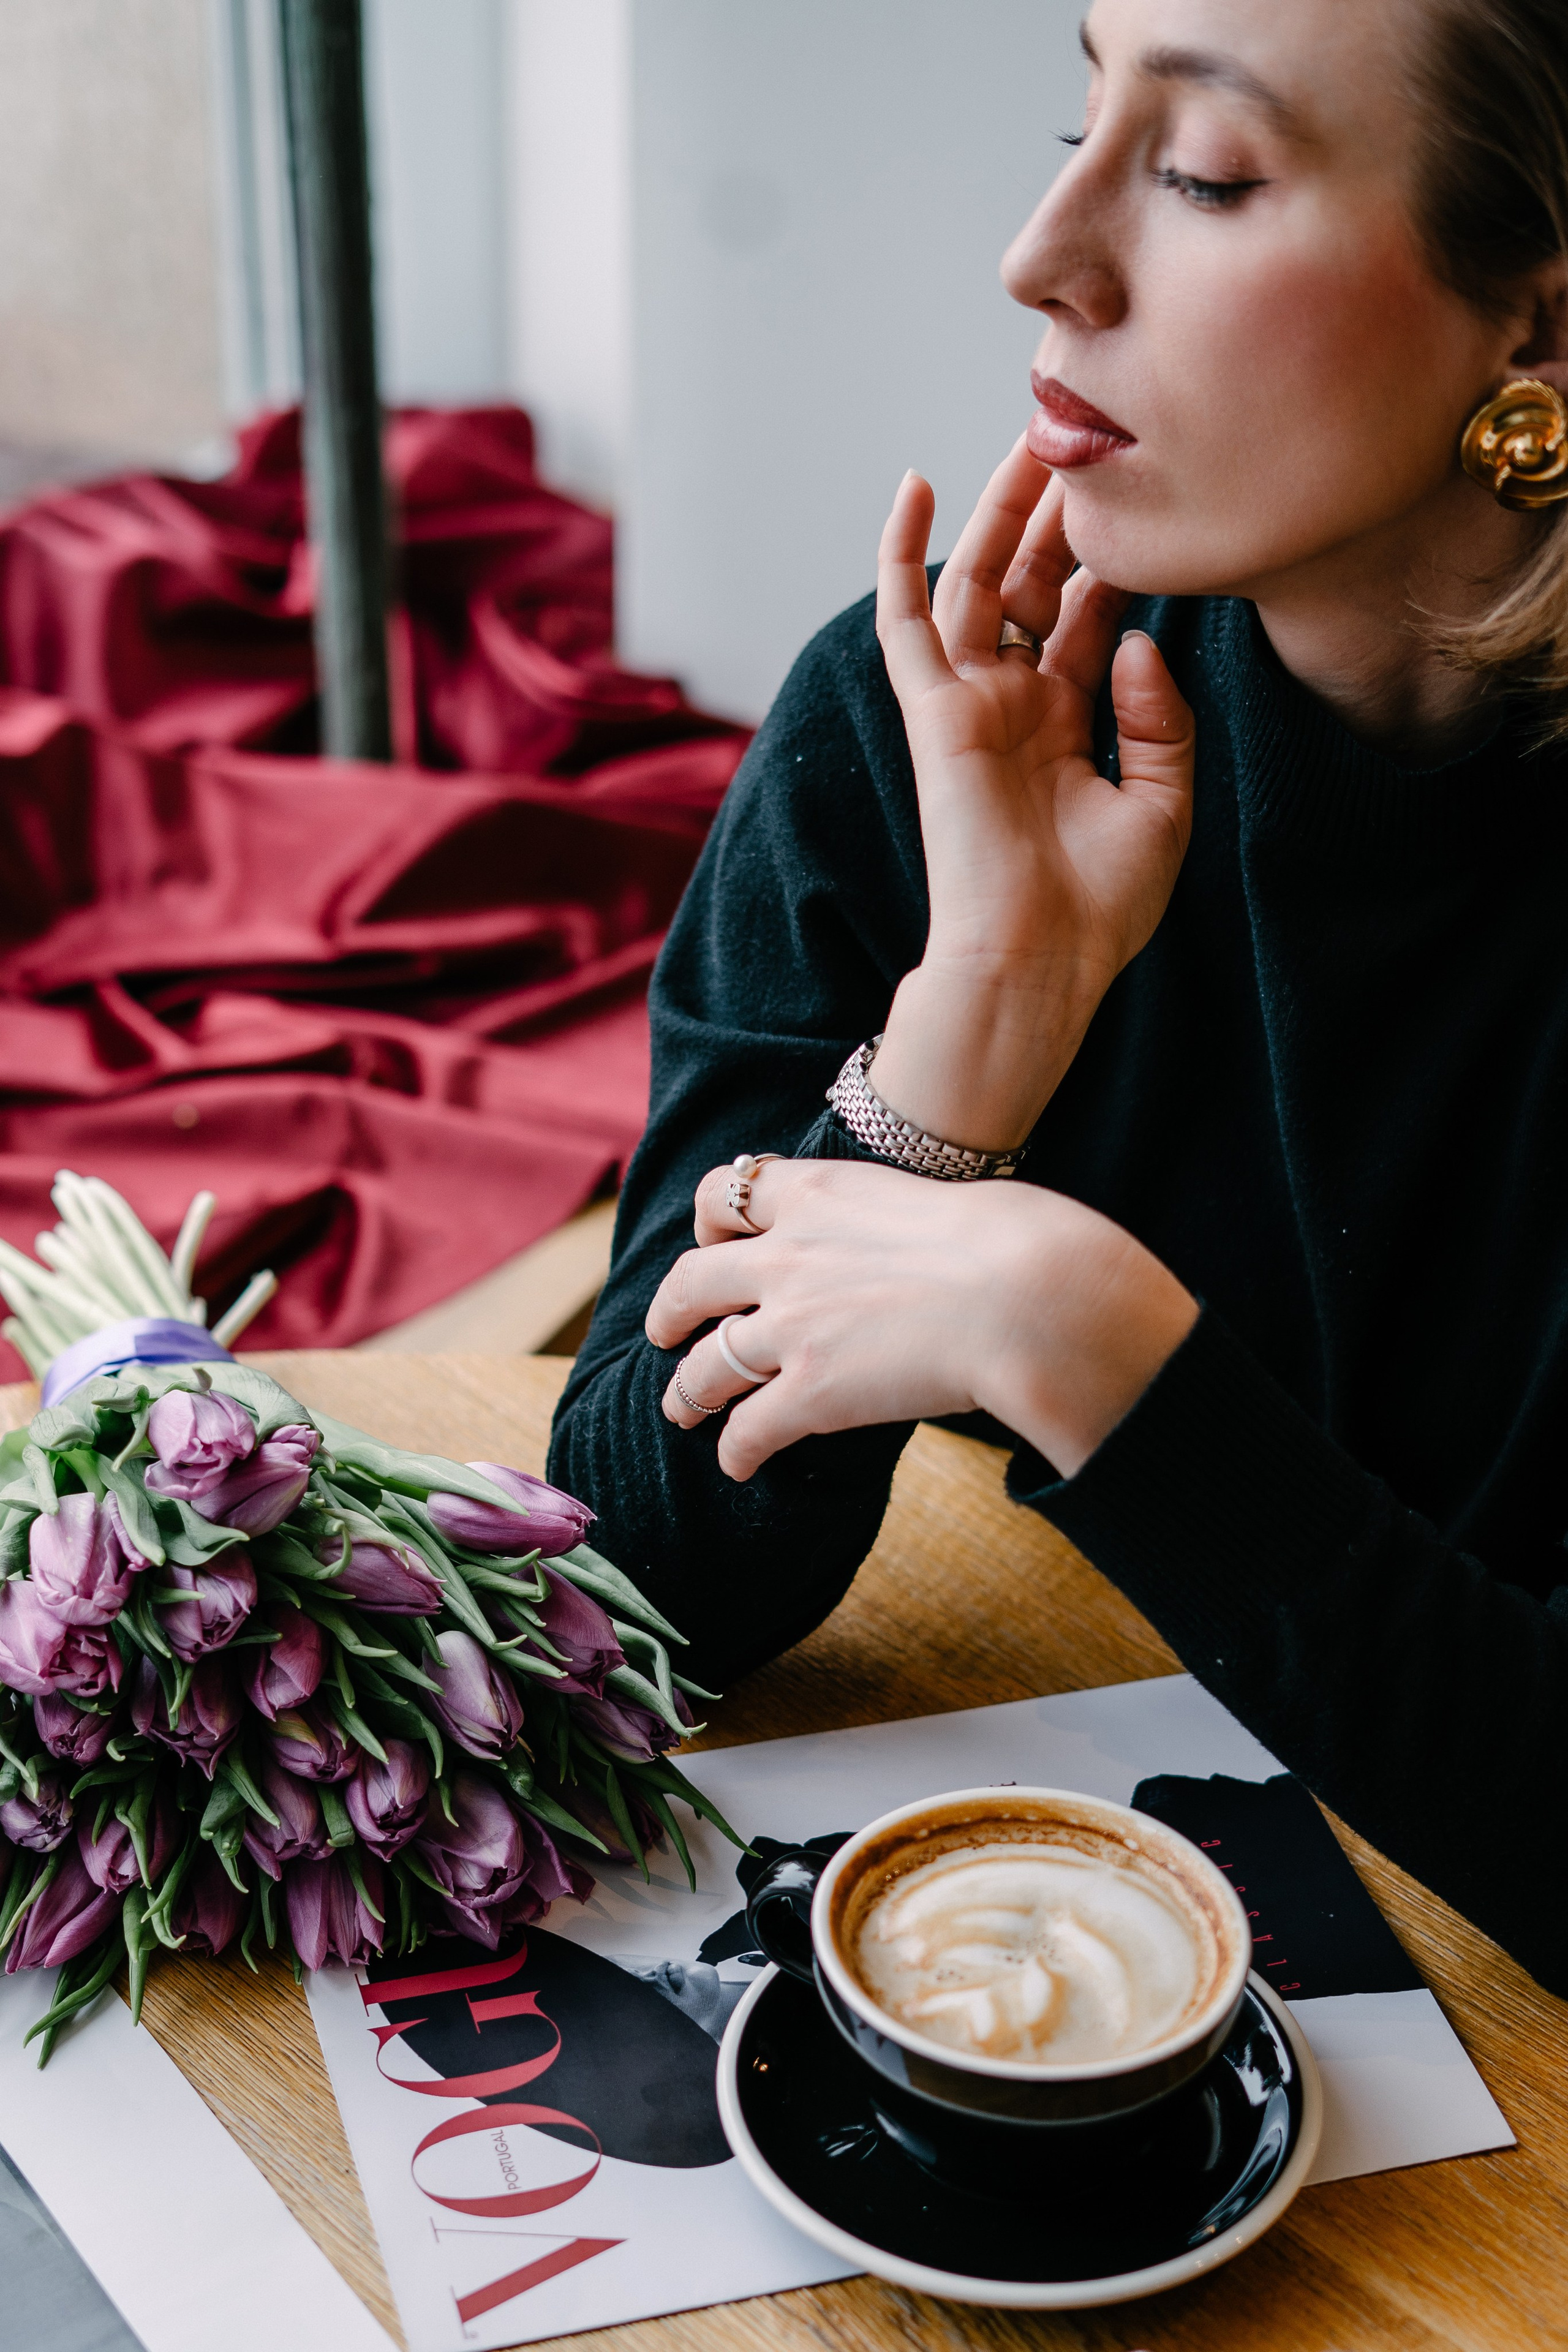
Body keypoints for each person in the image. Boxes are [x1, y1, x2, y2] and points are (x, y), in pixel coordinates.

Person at [549, 0, 1568, 1997]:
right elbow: (613, 1600)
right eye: (1079, 108)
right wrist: (971, 1030)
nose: (1039, 253)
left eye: (1204, 174)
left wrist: (1085, 1340)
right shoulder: (936, 724)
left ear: (1538, 332)